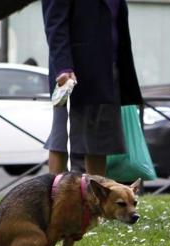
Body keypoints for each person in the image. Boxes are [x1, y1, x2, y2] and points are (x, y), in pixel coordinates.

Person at [42, 0, 143, 176]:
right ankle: (54, 198)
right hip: (73, 73)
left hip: (108, 71)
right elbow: (55, 25)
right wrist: (63, 67)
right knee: (62, 139)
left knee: (99, 142)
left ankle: (95, 199)